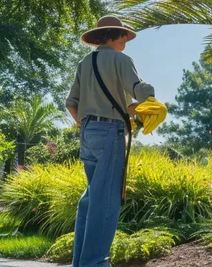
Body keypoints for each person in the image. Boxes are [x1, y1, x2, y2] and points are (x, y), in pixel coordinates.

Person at [65, 16, 167, 267]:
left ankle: (81, 262)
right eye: (123, 36)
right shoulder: (121, 60)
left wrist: (91, 124)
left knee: (91, 198)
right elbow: (139, 88)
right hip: (110, 132)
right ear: (111, 35)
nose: (126, 41)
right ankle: (96, 263)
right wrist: (152, 99)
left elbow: (72, 104)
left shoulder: (85, 62)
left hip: (88, 132)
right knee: (107, 199)